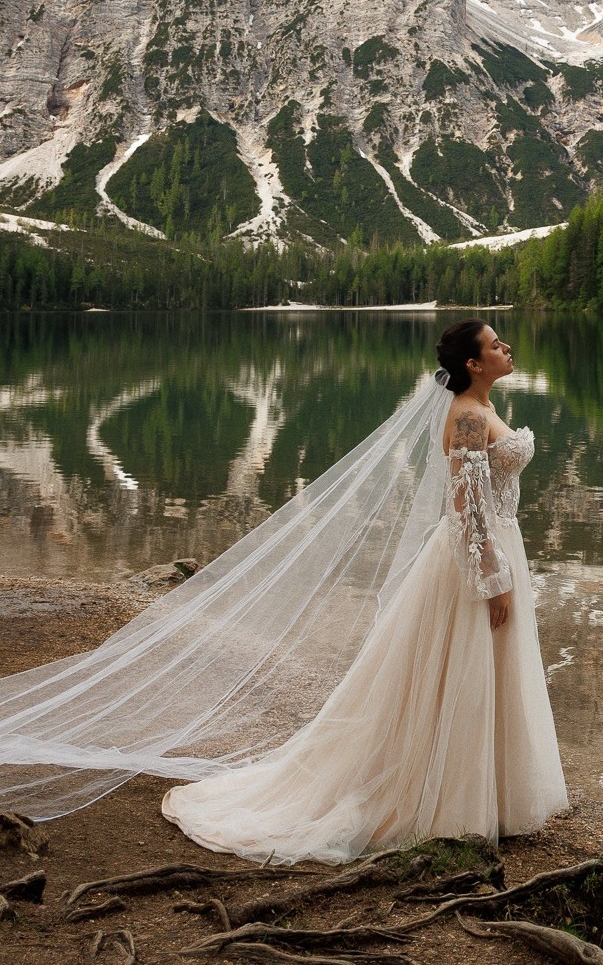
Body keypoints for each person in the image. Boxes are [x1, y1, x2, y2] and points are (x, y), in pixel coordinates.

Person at [156, 321, 568, 860]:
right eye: (495, 345)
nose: (506, 347)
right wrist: (492, 580)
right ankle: (447, 799)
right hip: (475, 563)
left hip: (494, 549)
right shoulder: (468, 416)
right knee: (462, 673)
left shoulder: (481, 407)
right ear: (473, 363)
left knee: (485, 674)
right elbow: (467, 510)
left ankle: (489, 791)